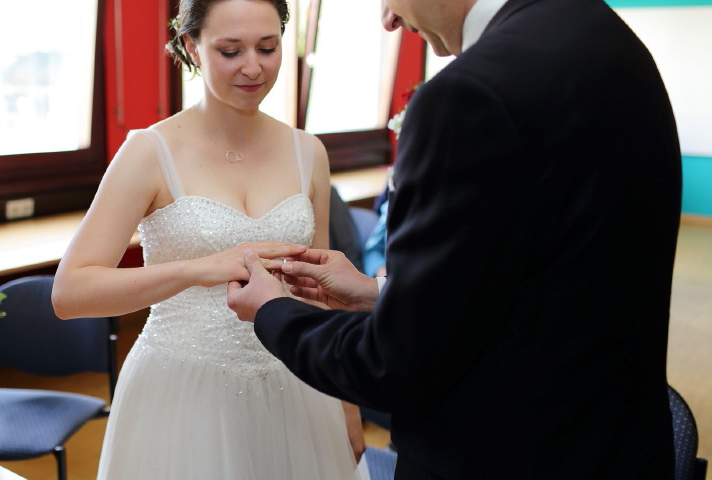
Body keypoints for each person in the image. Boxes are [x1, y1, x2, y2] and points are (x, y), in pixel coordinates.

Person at [227, 0, 683, 477]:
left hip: (503, 455)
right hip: (613, 447)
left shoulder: (472, 93)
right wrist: (381, 293)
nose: (388, 19)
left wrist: (273, 312)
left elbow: (395, 364)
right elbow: (547, 270)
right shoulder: (603, 34)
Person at [51, 0, 366, 478]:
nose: (253, 67)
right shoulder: (148, 152)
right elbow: (70, 293)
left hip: (297, 379)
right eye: (230, 51)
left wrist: (346, 401)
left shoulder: (309, 151)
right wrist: (199, 268)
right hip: (180, 388)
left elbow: (319, 295)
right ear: (190, 47)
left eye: (267, 47)